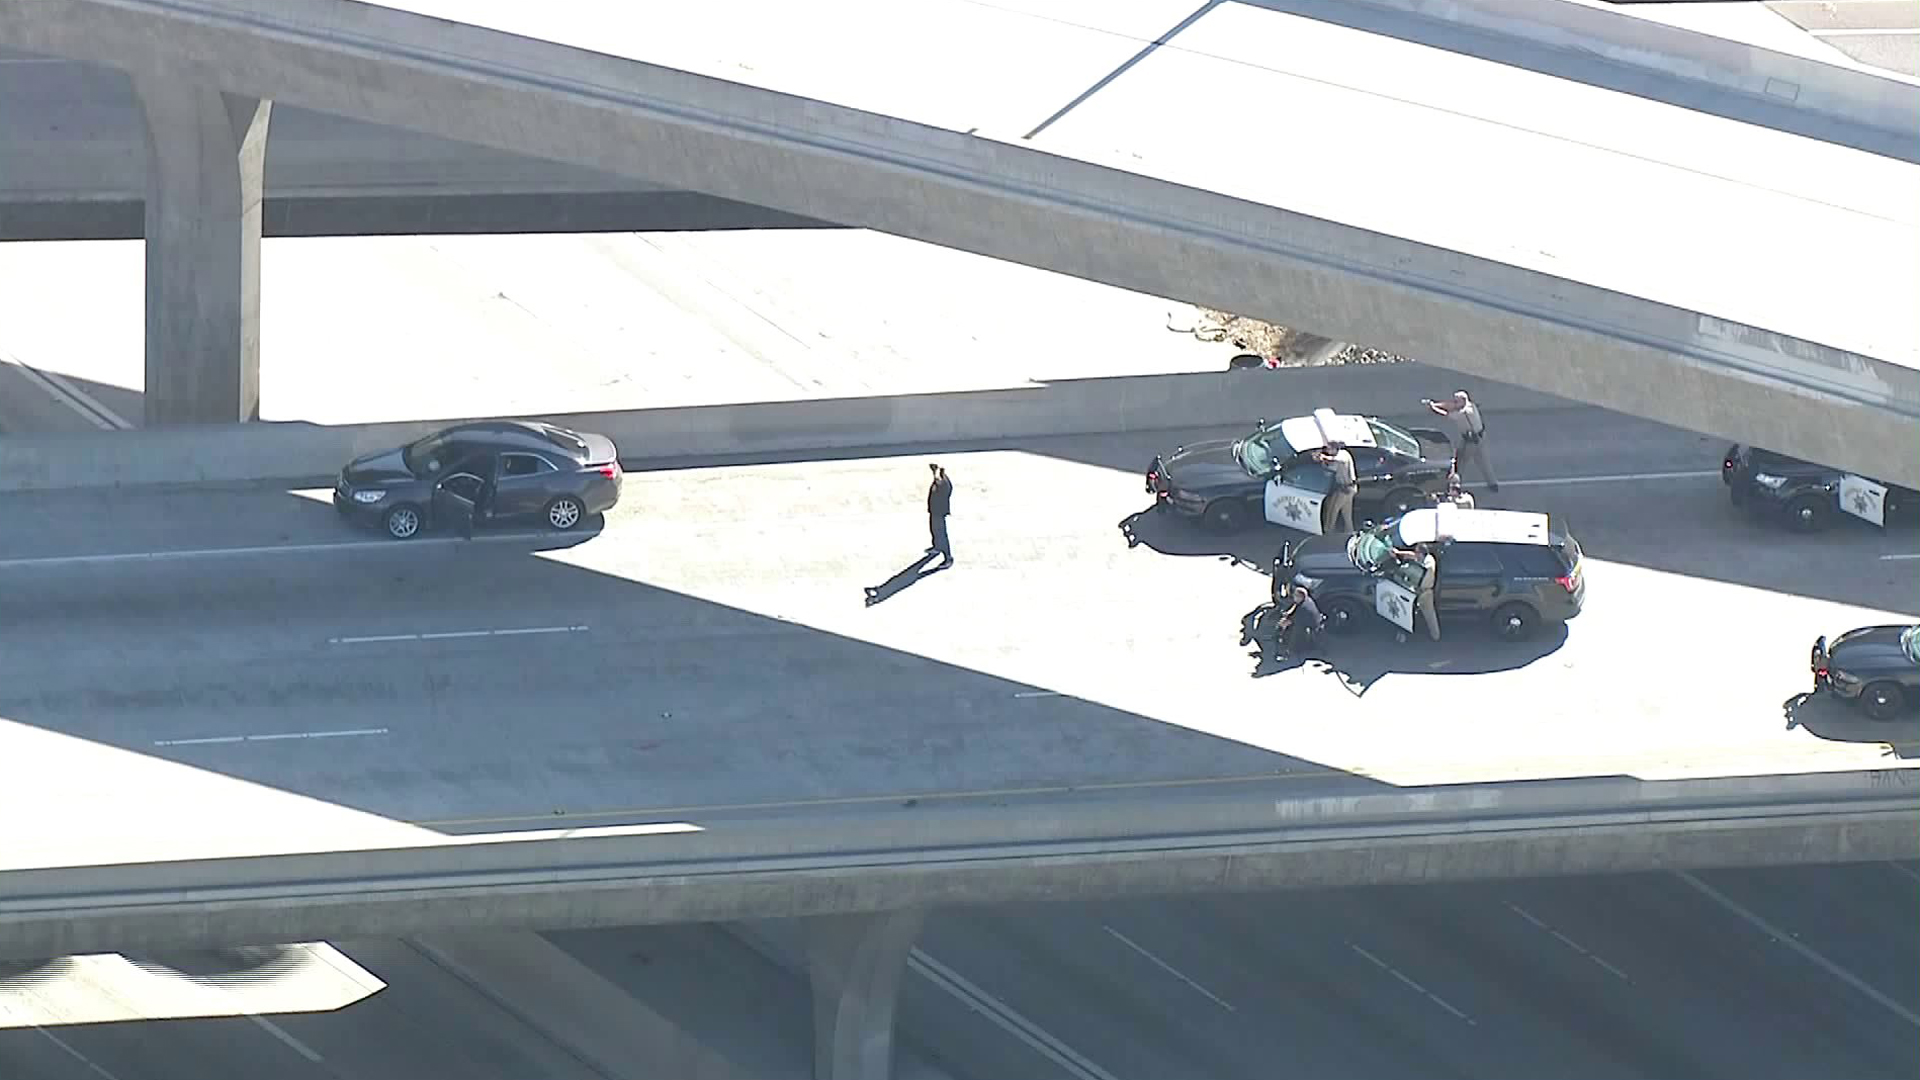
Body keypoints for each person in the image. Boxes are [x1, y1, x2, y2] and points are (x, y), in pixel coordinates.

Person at [1424, 391, 1498, 492]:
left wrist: (1433, 408)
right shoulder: (1470, 405)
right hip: (1478, 438)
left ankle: (1455, 485)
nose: (1454, 403)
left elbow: (1445, 414)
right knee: (1483, 461)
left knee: (1460, 462)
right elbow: (1450, 405)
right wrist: (1435, 403)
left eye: (1456, 401)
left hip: (1471, 442)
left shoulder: (1464, 413)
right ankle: (1493, 484)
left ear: (1462, 401)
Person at [1392, 542, 1441, 642]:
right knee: (1405, 612)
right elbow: (1411, 555)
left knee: (1429, 615)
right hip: (1414, 591)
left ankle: (1435, 636)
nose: (1416, 554)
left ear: (1422, 553)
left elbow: (1425, 569)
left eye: (1418, 552)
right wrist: (1398, 553)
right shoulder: (1421, 557)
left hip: (1424, 593)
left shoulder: (1429, 561)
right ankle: (1403, 635)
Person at [1314, 440, 1358, 534]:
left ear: (1335, 448)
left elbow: (1336, 460)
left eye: (1329, 449)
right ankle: (1349, 533)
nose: (1328, 451)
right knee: (1346, 514)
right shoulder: (1336, 457)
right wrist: (1322, 461)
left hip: (1345, 489)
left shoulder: (1343, 454)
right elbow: (1329, 470)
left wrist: (1323, 457)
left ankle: (1328, 533)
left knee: (1331, 512)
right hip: (1347, 489)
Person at [926, 463, 954, 566]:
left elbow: (939, 483)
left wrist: (936, 475)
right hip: (934, 511)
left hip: (939, 513)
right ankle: (936, 547)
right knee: (934, 531)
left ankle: (948, 558)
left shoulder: (943, 484)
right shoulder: (940, 481)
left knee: (941, 534)